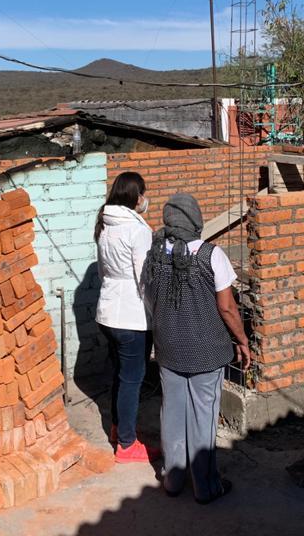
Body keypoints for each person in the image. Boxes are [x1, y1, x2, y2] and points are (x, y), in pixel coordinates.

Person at [144, 193, 251, 503]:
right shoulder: (210, 255)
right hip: (206, 350)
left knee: (173, 414)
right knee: (203, 418)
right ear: (195, 220)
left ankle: (173, 479)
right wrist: (242, 340)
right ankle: (206, 486)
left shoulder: (155, 254)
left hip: (168, 347)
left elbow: (149, 299)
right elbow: (227, 308)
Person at [94, 171, 160, 463]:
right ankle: (127, 444)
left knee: (120, 375)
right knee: (133, 380)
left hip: (107, 311)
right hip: (131, 316)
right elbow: (145, 278)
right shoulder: (137, 230)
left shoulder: (105, 225)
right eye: (143, 193)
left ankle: (118, 429)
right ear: (135, 196)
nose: (145, 199)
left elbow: (102, 271)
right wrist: (156, 312)